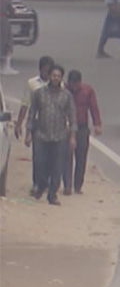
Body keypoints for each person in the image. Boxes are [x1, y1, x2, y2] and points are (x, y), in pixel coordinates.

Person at [24, 65, 76, 205]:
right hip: (41, 135)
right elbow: (32, 114)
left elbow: (72, 117)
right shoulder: (39, 93)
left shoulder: (67, 96)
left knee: (57, 167)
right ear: (49, 76)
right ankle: (41, 185)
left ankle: (52, 195)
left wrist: (72, 137)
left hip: (59, 137)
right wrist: (28, 133)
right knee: (40, 163)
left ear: (61, 78)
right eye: (53, 75)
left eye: (58, 76)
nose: (55, 78)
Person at [15, 55, 53, 190]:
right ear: (40, 69)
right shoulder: (32, 84)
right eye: (45, 70)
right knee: (38, 155)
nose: (47, 74)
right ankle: (37, 183)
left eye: (49, 71)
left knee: (51, 155)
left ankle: (47, 182)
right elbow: (25, 104)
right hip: (37, 123)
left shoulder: (57, 84)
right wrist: (19, 124)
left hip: (53, 124)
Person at [63, 69, 101, 196]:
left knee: (81, 157)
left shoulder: (87, 91)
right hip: (66, 127)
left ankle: (77, 185)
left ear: (80, 82)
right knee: (66, 157)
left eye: (76, 84)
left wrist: (97, 124)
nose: (74, 87)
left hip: (82, 127)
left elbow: (93, 107)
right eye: (72, 84)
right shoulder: (63, 90)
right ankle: (67, 185)